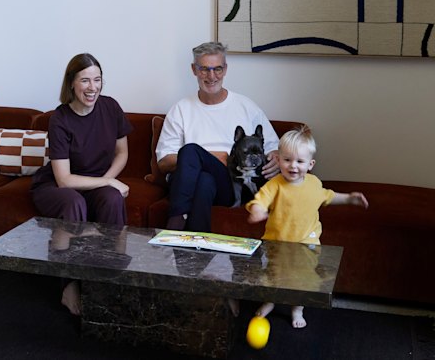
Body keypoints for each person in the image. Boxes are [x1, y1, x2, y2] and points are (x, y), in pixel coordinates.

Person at [31, 52, 133, 315]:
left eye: (97, 80)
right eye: (85, 80)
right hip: (56, 186)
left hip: (95, 182)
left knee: (111, 198)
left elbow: (122, 152)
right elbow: (64, 179)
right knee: (74, 201)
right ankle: (70, 284)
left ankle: (111, 275)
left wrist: (107, 182)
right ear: (72, 84)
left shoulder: (111, 107)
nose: (92, 87)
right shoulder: (60, 119)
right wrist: (108, 180)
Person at [246, 125, 369, 328]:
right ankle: (270, 300)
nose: (293, 166)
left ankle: (297, 309)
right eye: (287, 160)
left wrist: (349, 198)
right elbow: (261, 199)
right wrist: (258, 209)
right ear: (278, 160)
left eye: (299, 161)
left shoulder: (314, 184)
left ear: (310, 164)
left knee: (301, 280)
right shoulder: (274, 184)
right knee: (273, 275)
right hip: (277, 243)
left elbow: (328, 196)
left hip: (306, 244)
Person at [155, 41, 280, 233]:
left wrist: (276, 158)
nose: (211, 76)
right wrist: (209, 157)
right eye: (204, 69)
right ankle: (197, 255)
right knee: (202, 175)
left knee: (191, 150)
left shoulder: (246, 107)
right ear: (194, 70)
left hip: (230, 183)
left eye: (217, 69)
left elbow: (273, 147)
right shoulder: (180, 109)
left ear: (225, 69)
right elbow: (163, 163)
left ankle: (174, 225)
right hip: (192, 182)